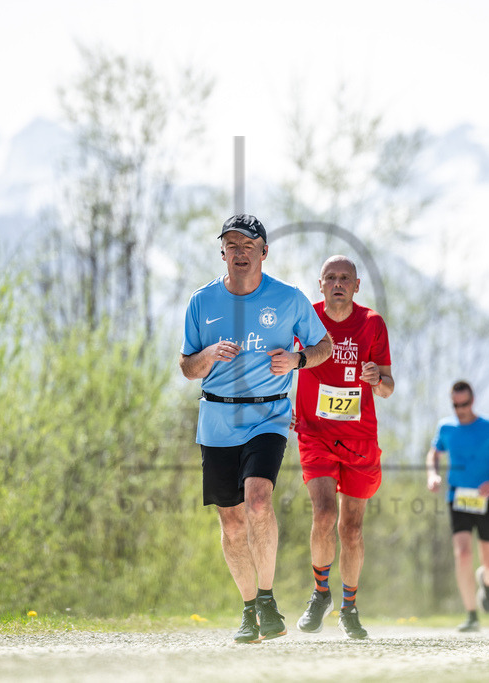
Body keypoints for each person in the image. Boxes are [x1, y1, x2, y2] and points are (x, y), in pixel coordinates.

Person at [180, 214, 333, 644]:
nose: (240, 252)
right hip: (216, 420)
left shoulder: (289, 299)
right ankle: (250, 610)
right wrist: (207, 354)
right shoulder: (201, 302)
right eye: (232, 245)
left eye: (249, 245)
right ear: (222, 252)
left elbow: (325, 346)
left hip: (268, 416)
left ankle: (267, 597)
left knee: (259, 501)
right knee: (231, 525)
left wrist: (298, 360)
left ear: (264, 252)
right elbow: (187, 367)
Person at [293, 255, 394, 640]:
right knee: (322, 514)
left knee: (351, 530)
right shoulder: (305, 318)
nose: (338, 283)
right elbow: (283, 361)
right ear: (320, 284)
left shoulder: (372, 324)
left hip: (359, 438)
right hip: (315, 432)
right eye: (331, 277)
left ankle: (349, 607)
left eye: (345, 278)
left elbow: (388, 386)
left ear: (356, 286)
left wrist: (375, 380)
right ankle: (321, 593)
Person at [426, 380, 489, 632]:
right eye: (455, 405)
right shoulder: (446, 427)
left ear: (472, 401)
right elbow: (433, 454)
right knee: (463, 554)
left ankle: (486, 583)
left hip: (487, 500)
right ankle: (471, 615)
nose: (459, 409)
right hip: (459, 498)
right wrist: (432, 474)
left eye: (463, 404)